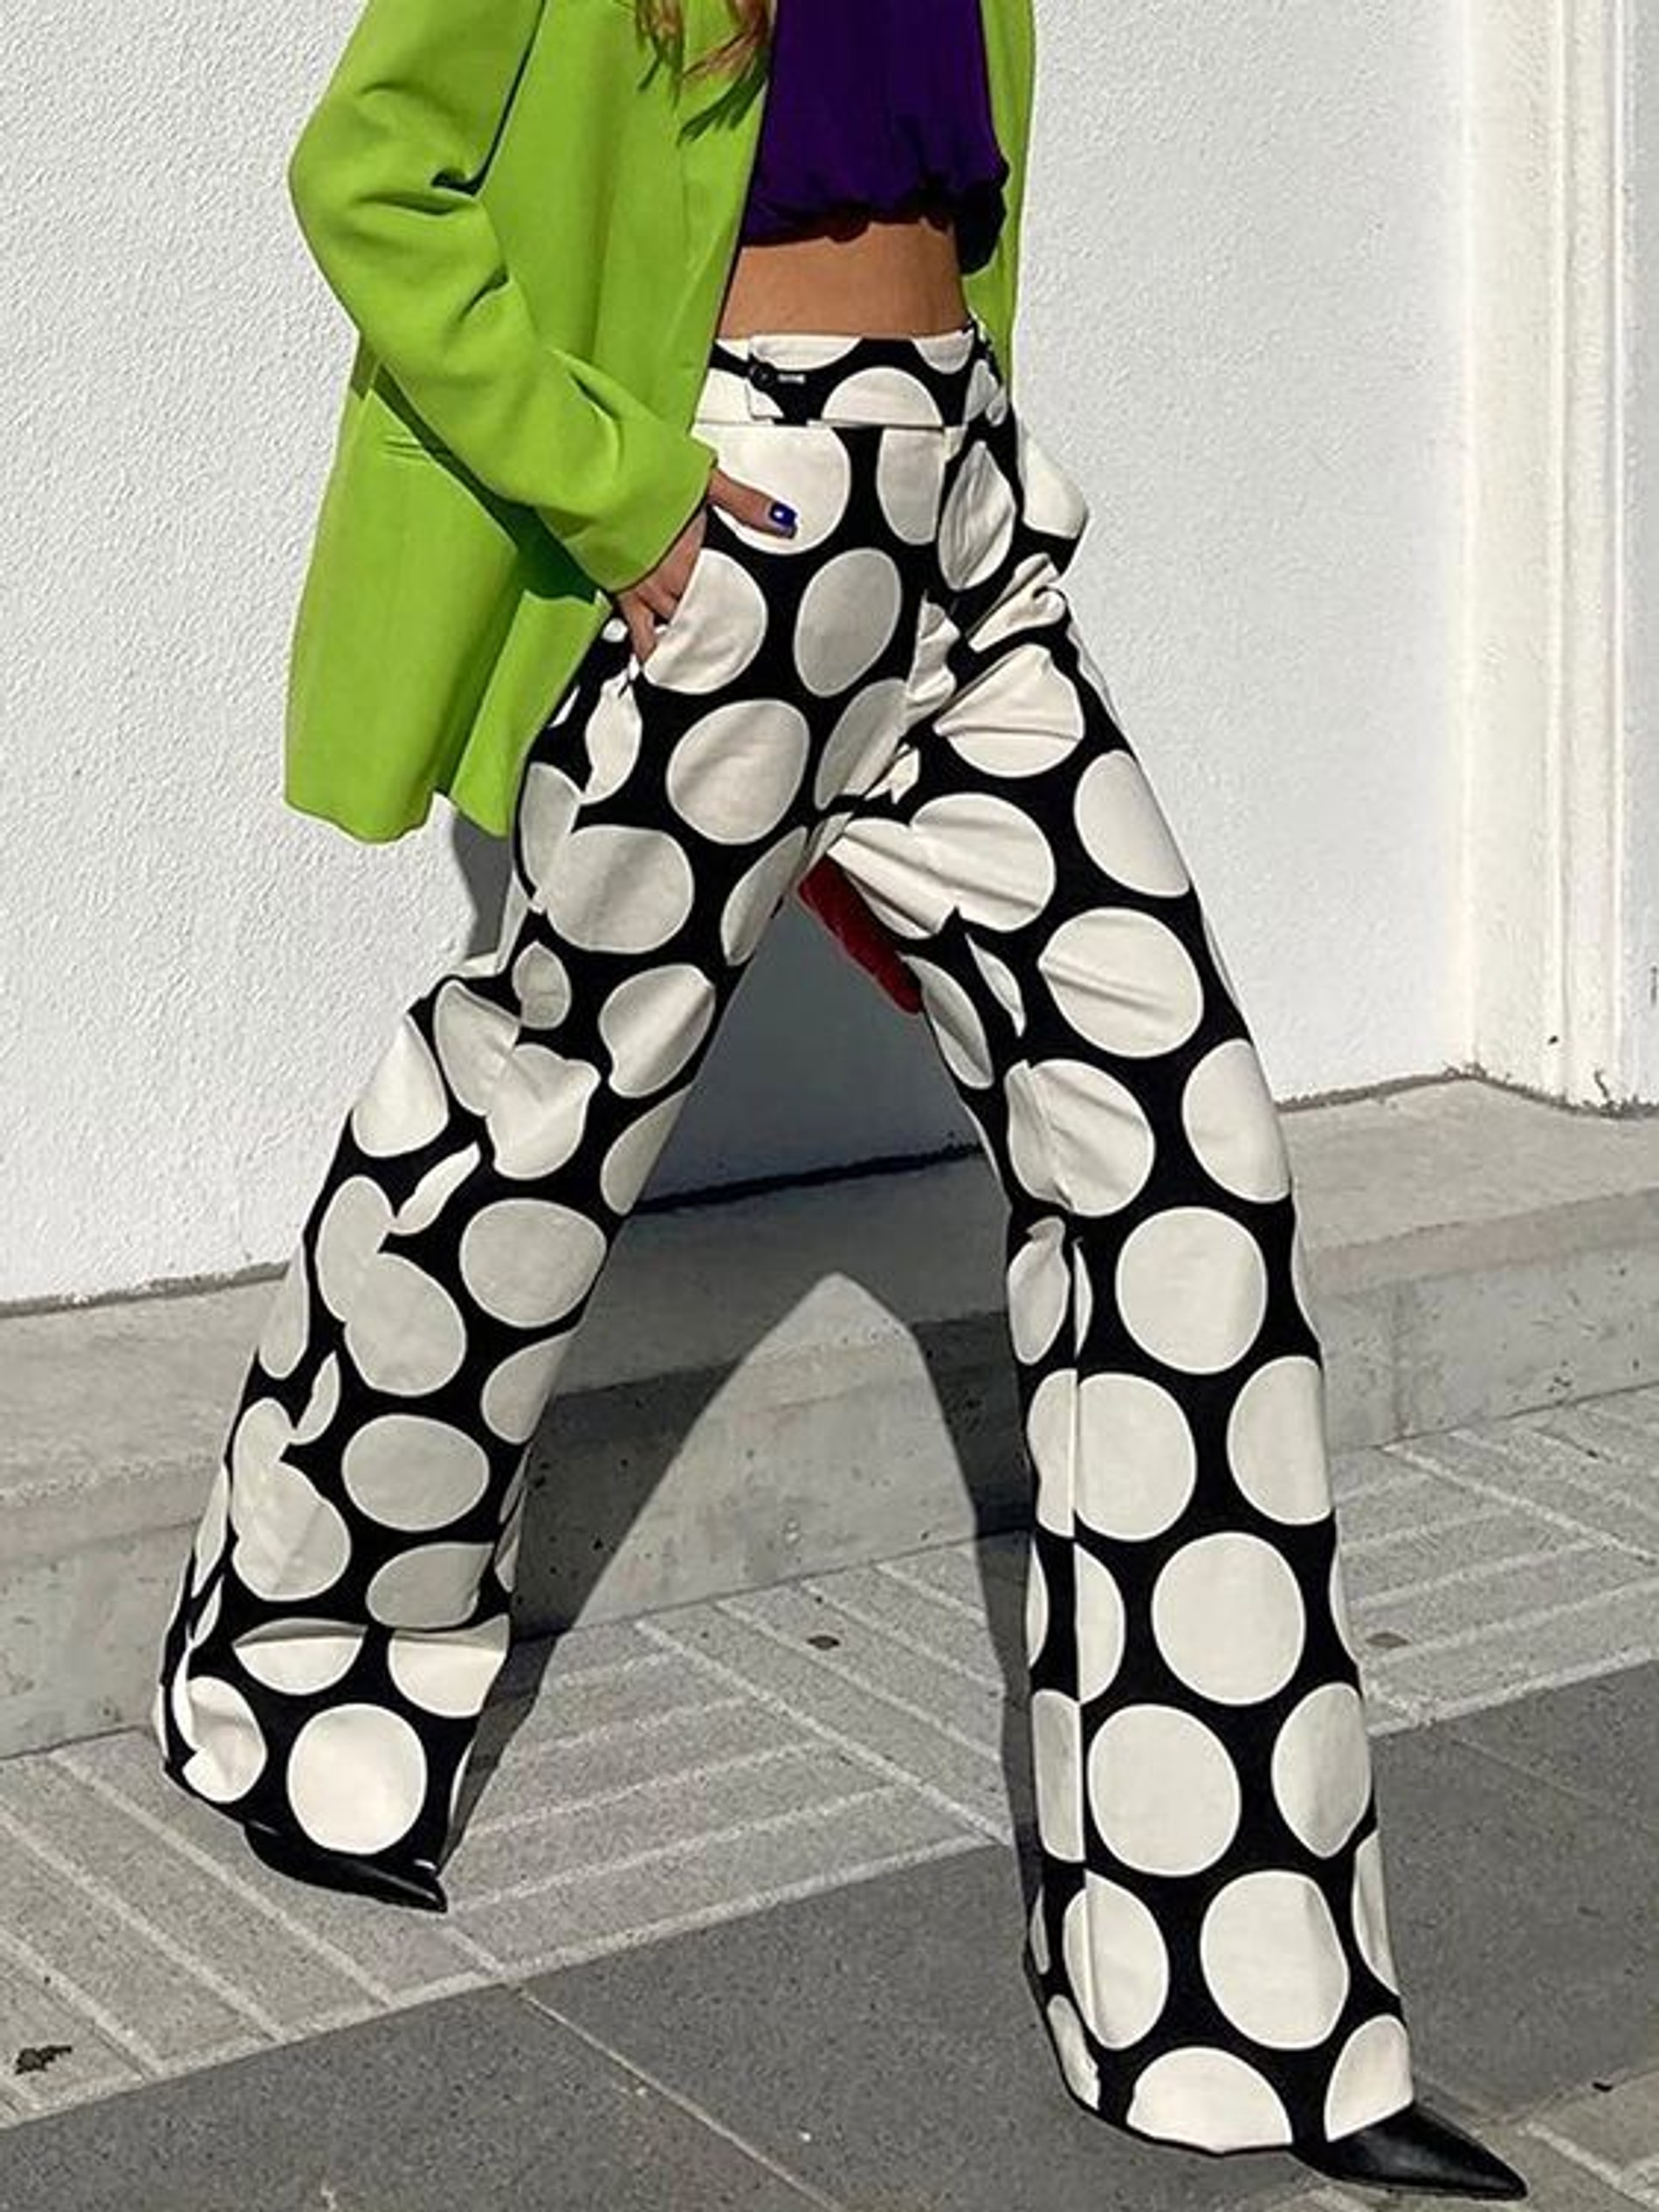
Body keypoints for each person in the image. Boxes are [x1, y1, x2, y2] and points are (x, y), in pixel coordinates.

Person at [152, 0, 1525, 2195]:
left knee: (1175, 1152)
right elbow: (368, 170)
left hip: (957, 524)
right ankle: (302, 1654)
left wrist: (976, 460)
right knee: (541, 1104)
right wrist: (629, 499)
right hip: (735, 517)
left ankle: (1233, 1989)